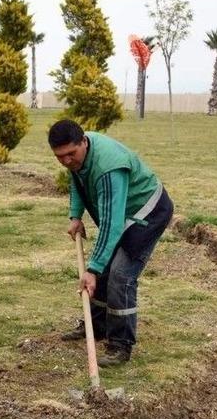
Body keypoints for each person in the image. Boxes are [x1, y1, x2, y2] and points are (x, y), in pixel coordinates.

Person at [48, 119, 174, 367]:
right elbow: (77, 181)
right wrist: (75, 216)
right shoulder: (79, 155)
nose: (66, 161)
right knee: (104, 267)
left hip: (148, 212)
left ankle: (120, 345)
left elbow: (112, 225)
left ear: (83, 142)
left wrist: (92, 269)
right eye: (60, 157)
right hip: (124, 213)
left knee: (119, 275)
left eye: (70, 154)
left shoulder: (108, 168)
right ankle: (97, 326)